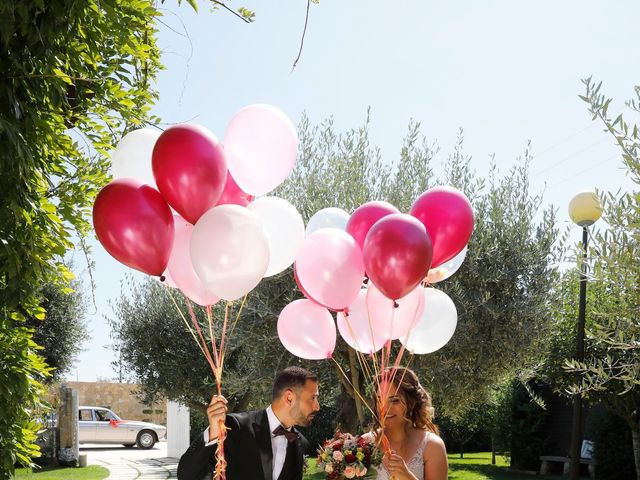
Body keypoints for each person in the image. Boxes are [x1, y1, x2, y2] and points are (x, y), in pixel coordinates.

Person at [177, 366, 320, 480]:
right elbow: (187, 475)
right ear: (289, 398)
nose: (317, 406)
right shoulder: (235, 426)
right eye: (313, 398)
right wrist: (212, 434)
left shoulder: (300, 443)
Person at [368, 367, 448, 480]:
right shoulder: (365, 444)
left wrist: (406, 476)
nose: (384, 409)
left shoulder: (432, 446)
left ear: (412, 402)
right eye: (380, 400)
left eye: (394, 400)